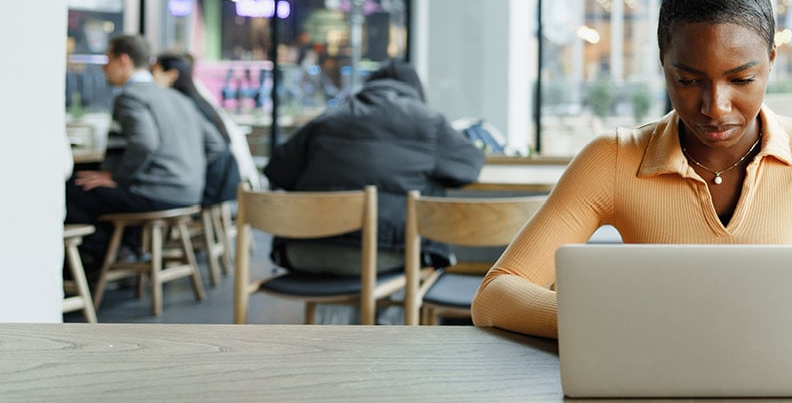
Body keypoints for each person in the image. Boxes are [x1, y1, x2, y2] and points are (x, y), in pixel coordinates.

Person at [472, 0, 792, 339]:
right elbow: (496, 294)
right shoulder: (612, 159)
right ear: (663, 64)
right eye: (688, 80)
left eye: (741, 79)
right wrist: (619, 323)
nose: (715, 108)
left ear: (771, 62)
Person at [264, 59, 485, 323]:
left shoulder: (329, 118)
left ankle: (333, 342)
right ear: (415, 89)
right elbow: (470, 165)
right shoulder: (428, 121)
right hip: (381, 254)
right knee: (409, 253)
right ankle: (384, 341)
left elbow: (277, 171)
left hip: (304, 251)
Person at [65, 35, 227, 264]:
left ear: (123, 60)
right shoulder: (177, 97)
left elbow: (144, 143)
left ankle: (115, 254)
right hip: (189, 194)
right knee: (98, 188)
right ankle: (129, 249)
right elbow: (215, 145)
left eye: (107, 60)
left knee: (71, 190)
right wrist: (186, 171)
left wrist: (117, 176)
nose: (103, 68)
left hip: (157, 193)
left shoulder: (130, 97)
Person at [151, 52, 242, 207]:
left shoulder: (182, 105)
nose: (150, 79)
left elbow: (215, 146)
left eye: (154, 72)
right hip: (224, 180)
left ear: (172, 75)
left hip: (208, 185)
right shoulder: (197, 99)